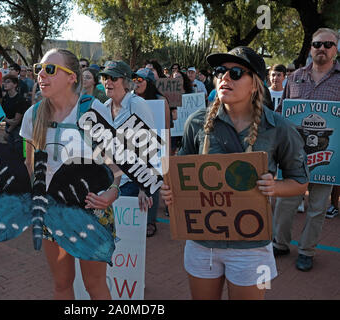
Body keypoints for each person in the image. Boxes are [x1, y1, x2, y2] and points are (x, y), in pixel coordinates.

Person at [161, 46, 309, 300]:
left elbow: (300, 182)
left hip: (251, 248)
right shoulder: (196, 123)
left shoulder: (279, 128)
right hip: (201, 243)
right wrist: (171, 190)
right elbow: (180, 173)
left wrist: (275, 187)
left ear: (255, 84)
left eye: (236, 72)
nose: (225, 78)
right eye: (220, 71)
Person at [0, 49, 121, 300]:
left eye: (50, 69)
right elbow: (29, 167)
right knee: (61, 284)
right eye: (39, 69)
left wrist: (113, 192)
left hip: (91, 209)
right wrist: (3, 186)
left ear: (72, 77)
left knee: (95, 285)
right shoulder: (33, 114)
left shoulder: (94, 110)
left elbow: (115, 164)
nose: (41, 76)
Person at [273, 28, 340, 271]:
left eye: (328, 44)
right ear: (311, 47)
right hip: (294, 155)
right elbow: (281, 113)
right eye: (317, 44)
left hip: (327, 159)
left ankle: (306, 250)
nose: (322, 48)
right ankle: (279, 243)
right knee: (285, 202)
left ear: (336, 49)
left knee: (318, 207)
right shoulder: (295, 78)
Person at [98, 61, 156, 216]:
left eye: (113, 78)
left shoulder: (137, 104)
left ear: (125, 82)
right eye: (105, 77)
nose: (108, 82)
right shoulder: (104, 106)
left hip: (132, 183)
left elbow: (150, 147)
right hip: (111, 183)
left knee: (127, 238)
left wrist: (144, 188)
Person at [132, 67, 170, 237]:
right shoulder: (130, 100)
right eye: (134, 79)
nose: (136, 83)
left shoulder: (161, 101)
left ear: (150, 83)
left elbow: (166, 128)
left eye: (140, 80)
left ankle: (150, 221)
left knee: (151, 184)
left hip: (155, 149)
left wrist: (165, 154)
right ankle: (135, 220)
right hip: (133, 149)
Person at [1, 74, 28, 158]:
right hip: (8, 127)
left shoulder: (20, 99)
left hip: (18, 130)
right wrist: (8, 121)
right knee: (10, 154)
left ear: (15, 84)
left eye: (8, 82)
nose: (5, 84)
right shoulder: (5, 98)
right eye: (4, 82)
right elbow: (1, 115)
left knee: (18, 154)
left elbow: (16, 121)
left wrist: (8, 131)